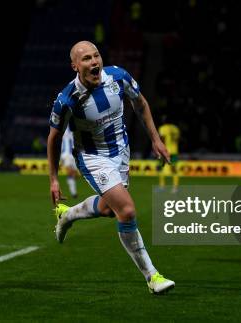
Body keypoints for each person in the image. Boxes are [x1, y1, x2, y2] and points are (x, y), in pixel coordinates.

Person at [47, 41, 175, 294]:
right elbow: (54, 138)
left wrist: (155, 138)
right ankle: (152, 277)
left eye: (96, 56)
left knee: (109, 209)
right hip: (94, 158)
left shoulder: (118, 76)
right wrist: (53, 178)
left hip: (121, 153)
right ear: (74, 66)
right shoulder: (67, 100)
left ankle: (68, 215)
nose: (94, 62)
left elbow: (141, 103)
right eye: (86, 59)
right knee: (126, 211)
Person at [158, 116, 181, 192]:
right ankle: (175, 187)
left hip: (166, 151)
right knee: (174, 169)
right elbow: (178, 139)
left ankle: (162, 186)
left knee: (161, 167)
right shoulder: (175, 128)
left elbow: (162, 139)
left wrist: (160, 150)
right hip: (174, 150)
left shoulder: (163, 128)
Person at [60, 125, 78, 198]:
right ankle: (74, 193)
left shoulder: (75, 127)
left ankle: (73, 191)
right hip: (65, 154)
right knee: (70, 172)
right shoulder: (61, 128)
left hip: (74, 154)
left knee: (74, 174)